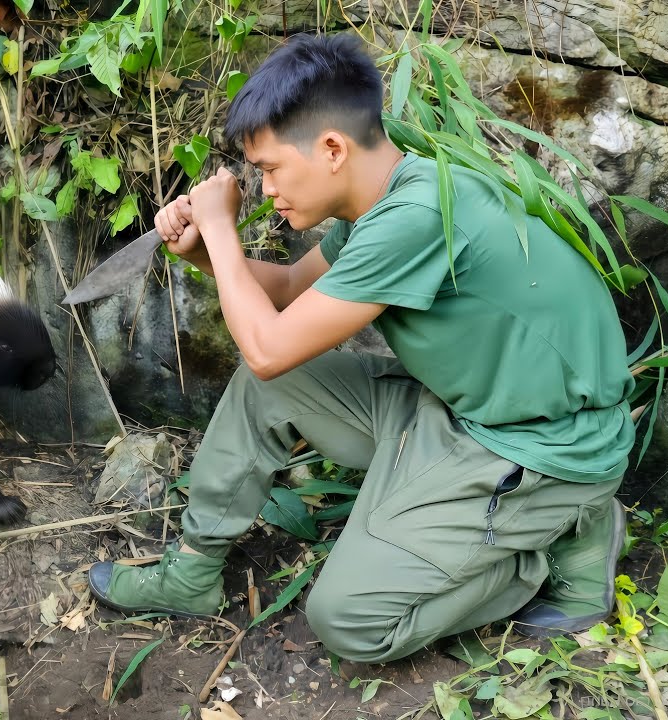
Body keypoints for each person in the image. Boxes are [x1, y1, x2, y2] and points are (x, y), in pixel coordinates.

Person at [86, 31, 635, 664]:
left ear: (331, 148)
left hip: (542, 449)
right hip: (464, 413)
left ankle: (554, 539)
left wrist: (218, 226)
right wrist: (208, 253)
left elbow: (267, 345)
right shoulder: (386, 202)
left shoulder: (417, 216)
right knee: (273, 384)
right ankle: (190, 575)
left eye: (268, 169)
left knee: (349, 621)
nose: (264, 190)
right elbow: (290, 290)